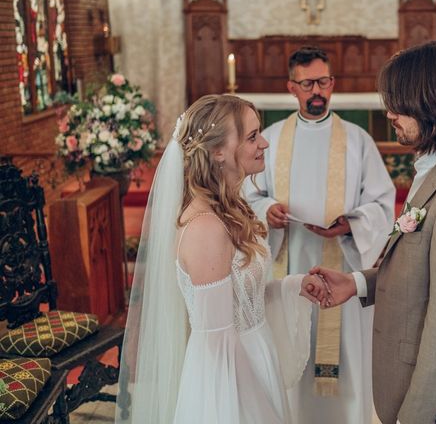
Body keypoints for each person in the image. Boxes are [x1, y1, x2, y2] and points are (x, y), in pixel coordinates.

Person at [312, 40, 436, 424]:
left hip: (431, 400)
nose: (390, 113)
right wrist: (358, 284)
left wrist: (416, 415)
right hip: (407, 383)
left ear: (434, 103)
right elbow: (422, 268)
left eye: (400, 103)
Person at [115, 94, 328, 424]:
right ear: (217, 152)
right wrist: (260, 410)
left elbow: (241, 303)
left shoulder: (230, 207)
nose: (265, 144)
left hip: (253, 356)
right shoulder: (205, 228)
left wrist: (293, 286)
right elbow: (216, 343)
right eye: (252, 136)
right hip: (230, 380)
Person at [243, 46, 395, 424]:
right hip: (288, 260)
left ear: (333, 84)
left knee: (343, 354)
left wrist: (352, 223)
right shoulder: (271, 140)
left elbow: (382, 202)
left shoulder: (357, 140)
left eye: (324, 82)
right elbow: (248, 193)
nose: (318, 91)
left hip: (342, 263)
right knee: (292, 350)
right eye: (308, 83)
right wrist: (267, 211)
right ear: (291, 87)